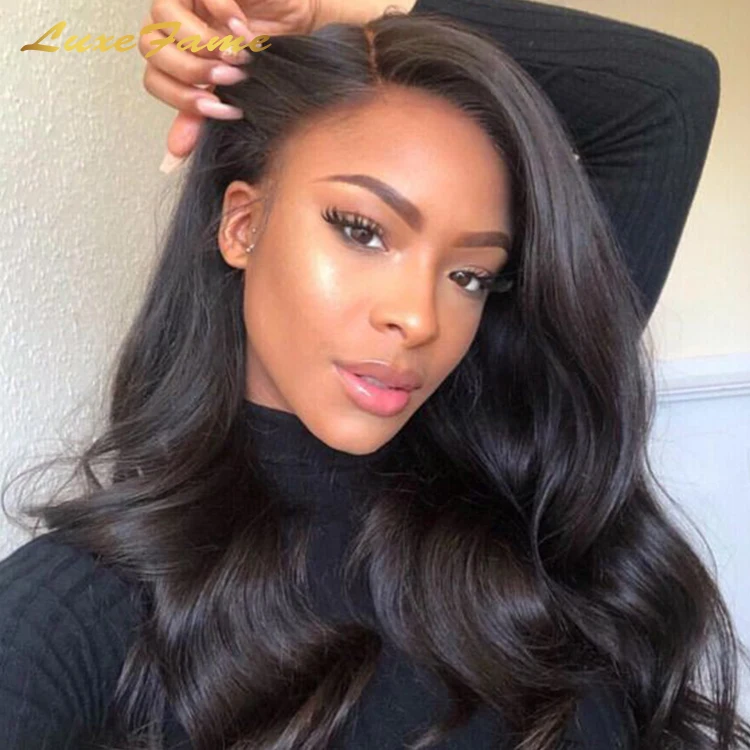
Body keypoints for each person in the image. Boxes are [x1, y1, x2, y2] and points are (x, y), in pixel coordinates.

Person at [1, 1, 746, 749]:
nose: (418, 318)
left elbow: (667, 97)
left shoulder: (515, 497)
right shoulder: (86, 609)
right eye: (363, 231)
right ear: (242, 225)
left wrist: (332, 8)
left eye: (470, 275)